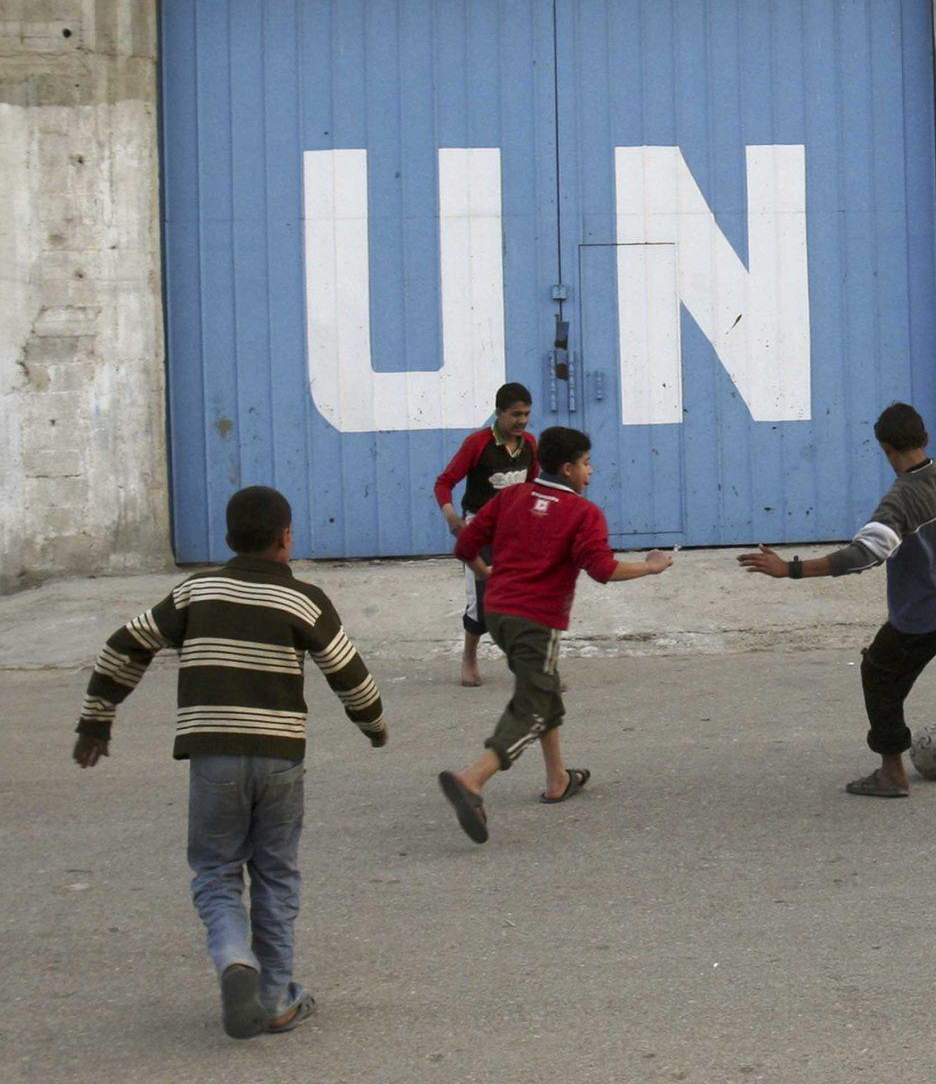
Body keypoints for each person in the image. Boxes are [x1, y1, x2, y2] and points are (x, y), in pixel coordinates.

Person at [72, 486, 387, 1037]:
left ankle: (234, 959)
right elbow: (350, 674)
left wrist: (98, 717)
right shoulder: (303, 599)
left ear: (226, 539)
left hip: (213, 756)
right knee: (276, 872)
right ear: (286, 538)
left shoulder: (196, 591)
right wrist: (375, 727)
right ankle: (276, 997)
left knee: (217, 871)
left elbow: (124, 645)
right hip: (280, 761)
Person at [738, 402, 936, 798]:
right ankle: (891, 770)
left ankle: (892, 774)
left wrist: (789, 569)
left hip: (922, 620)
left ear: (885, 448)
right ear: (926, 438)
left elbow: (861, 556)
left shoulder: (899, 503)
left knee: (878, 674)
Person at [437, 425, 673, 843]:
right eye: (585, 464)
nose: (591, 472)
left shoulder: (510, 496)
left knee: (543, 690)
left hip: (498, 614)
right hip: (535, 622)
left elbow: (465, 545)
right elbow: (603, 569)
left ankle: (557, 780)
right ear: (567, 469)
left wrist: (490, 578)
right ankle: (473, 780)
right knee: (531, 704)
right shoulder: (584, 513)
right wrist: (651, 567)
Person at [434, 382, 539, 687]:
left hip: (515, 532)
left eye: (527, 414)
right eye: (515, 414)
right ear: (499, 413)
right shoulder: (477, 444)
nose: (521, 420)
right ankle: (469, 657)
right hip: (479, 531)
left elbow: (534, 487)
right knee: (481, 603)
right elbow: (444, 482)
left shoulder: (530, 445)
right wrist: (452, 516)